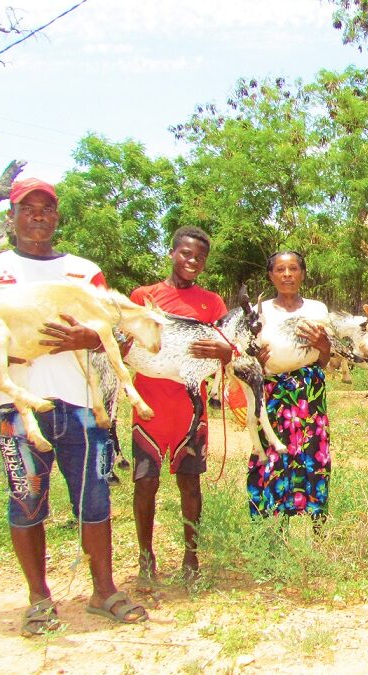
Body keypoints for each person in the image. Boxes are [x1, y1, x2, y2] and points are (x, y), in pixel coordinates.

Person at [0, 178, 147, 635]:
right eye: (27, 208)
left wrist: (92, 337)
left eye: (46, 209)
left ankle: (104, 591)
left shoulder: (83, 271)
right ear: (11, 216)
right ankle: (38, 599)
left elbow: (119, 335)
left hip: (85, 408)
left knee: (96, 499)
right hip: (18, 410)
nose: (37, 216)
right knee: (26, 501)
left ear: (56, 217)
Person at [129, 226, 231, 584]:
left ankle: (191, 558)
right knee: (145, 484)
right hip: (150, 408)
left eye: (200, 257)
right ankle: (146, 559)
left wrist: (226, 351)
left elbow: (224, 348)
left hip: (191, 409)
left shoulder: (212, 303)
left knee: (190, 485)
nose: (192, 261)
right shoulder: (145, 297)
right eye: (186, 253)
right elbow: (130, 343)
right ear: (172, 252)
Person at [244, 251, 333, 521]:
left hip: (309, 390)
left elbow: (325, 360)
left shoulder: (317, 309)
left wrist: (323, 346)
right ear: (270, 275)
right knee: (270, 452)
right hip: (270, 392)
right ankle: (270, 522)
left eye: (293, 269)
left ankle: (315, 523)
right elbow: (248, 357)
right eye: (280, 270)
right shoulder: (259, 312)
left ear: (303, 274)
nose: (287, 275)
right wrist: (255, 361)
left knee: (312, 452)